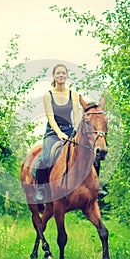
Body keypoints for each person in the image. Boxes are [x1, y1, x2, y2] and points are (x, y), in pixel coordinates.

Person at [33, 64, 80, 203]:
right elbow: (50, 116)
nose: (61, 75)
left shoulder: (73, 94)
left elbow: (76, 115)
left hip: (70, 130)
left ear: (66, 76)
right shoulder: (48, 95)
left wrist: (76, 131)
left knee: (87, 152)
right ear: (54, 76)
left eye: (63, 73)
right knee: (46, 157)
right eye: (58, 73)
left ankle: (95, 185)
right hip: (53, 132)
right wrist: (59, 133)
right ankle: (41, 189)